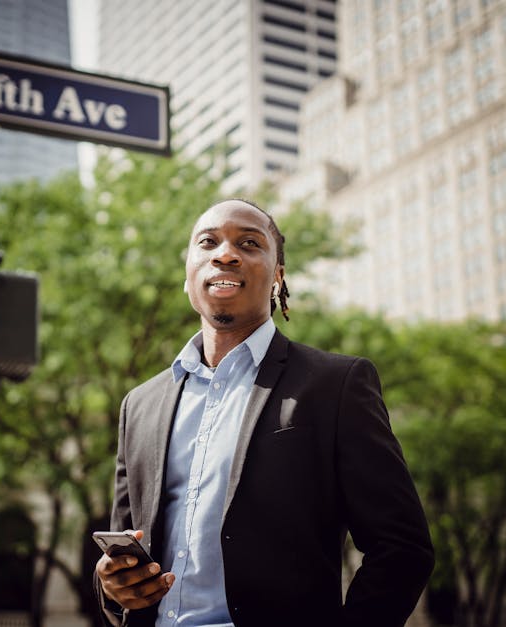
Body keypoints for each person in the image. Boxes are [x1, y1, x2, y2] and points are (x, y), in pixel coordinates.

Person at [94, 199, 434, 626]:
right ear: (188, 275)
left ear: (278, 277)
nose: (226, 253)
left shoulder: (337, 385)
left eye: (250, 243)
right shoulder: (139, 405)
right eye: (208, 242)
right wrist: (113, 584)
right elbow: (123, 550)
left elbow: (402, 548)